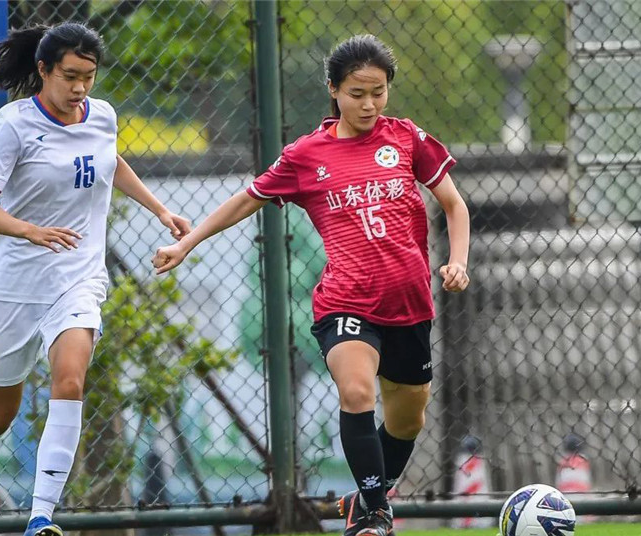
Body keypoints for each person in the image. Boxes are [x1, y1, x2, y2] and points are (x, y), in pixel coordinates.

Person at [152, 34, 470, 536]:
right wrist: (187, 243)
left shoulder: (407, 138)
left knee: (409, 420)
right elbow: (246, 199)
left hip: (410, 305)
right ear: (333, 90)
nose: (369, 104)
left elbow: (454, 204)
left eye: (379, 92)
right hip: (346, 303)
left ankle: (363, 502)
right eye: (357, 93)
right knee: (357, 391)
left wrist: (458, 261)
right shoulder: (307, 155)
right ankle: (376, 512)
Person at [0, 22, 190, 536]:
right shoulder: (11, 125)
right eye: (69, 76)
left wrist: (159, 209)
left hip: (77, 278)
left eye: (88, 76)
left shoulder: (102, 115)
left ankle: (41, 518)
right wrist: (30, 230)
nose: (81, 87)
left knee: (69, 379)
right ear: (43, 70)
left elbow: (109, 161)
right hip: (13, 287)